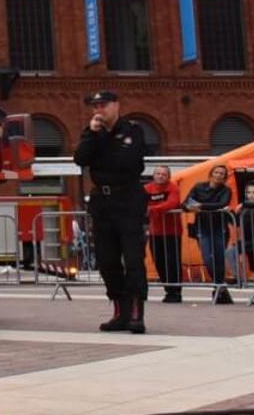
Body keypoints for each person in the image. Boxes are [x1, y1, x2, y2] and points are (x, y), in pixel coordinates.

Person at [74, 90, 154, 333]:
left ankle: (136, 313)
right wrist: (92, 135)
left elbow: (127, 162)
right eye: (95, 106)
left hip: (128, 199)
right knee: (107, 261)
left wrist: (102, 148)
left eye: (104, 105)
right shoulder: (92, 134)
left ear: (116, 105)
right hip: (103, 202)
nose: (99, 110)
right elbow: (80, 159)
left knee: (132, 259)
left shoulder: (132, 130)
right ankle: (119, 311)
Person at [186, 164, 236, 304]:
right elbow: (186, 203)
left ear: (225, 177)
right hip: (202, 228)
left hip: (220, 228)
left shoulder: (226, 190)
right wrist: (192, 207)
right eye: (216, 172)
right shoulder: (198, 187)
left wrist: (200, 206)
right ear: (211, 174)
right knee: (207, 258)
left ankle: (218, 288)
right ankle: (220, 286)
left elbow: (222, 203)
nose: (219, 175)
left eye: (222, 174)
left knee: (219, 259)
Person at [144, 166, 186, 304]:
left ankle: (176, 291)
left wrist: (153, 209)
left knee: (173, 262)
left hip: (172, 232)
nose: (161, 176)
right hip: (155, 232)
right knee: (159, 262)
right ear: (153, 175)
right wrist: (152, 210)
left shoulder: (172, 187)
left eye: (164, 174)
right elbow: (141, 204)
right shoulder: (147, 189)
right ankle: (168, 289)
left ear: (168, 176)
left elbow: (172, 203)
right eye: (158, 173)